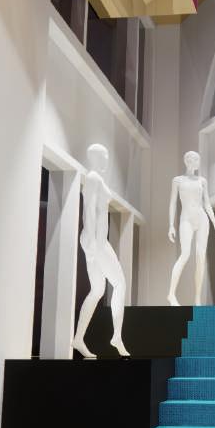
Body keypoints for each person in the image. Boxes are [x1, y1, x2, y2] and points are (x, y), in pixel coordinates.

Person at [71, 144, 130, 358]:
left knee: (97, 290)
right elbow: (88, 209)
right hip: (97, 241)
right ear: (94, 157)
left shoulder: (96, 178)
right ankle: (117, 336)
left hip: (96, 240)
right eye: (103, 156)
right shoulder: (93, 178)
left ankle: (79, 338)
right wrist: (92, 243)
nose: (106, 160)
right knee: (120, 284)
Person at [167, 151, 215, 305]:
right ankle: (171, 294)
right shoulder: (177, 180)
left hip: (202, 218)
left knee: (201, 257)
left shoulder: (202, 181)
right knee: (185, 254)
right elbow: (172, 203)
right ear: (187, 161)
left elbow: (207, 203)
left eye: (198, 159)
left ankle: (197, 298)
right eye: (195, 159)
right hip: (186, 219)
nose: (198, 162)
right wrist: (171, 225)